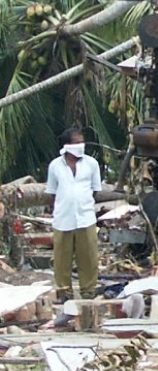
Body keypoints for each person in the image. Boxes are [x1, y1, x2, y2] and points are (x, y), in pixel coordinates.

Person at [45, 128, 102, 302]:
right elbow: (52, 192)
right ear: (66, 145)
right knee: (62, 258)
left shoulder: (91, 164)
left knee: (88, 257)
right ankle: (64, 292)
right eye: (76, 143)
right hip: (63, 218)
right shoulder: (55, 166)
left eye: (81, 142)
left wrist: (83, 204)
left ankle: (88, 291)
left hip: (85, 217)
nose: (80, 146)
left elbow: (95, 190)